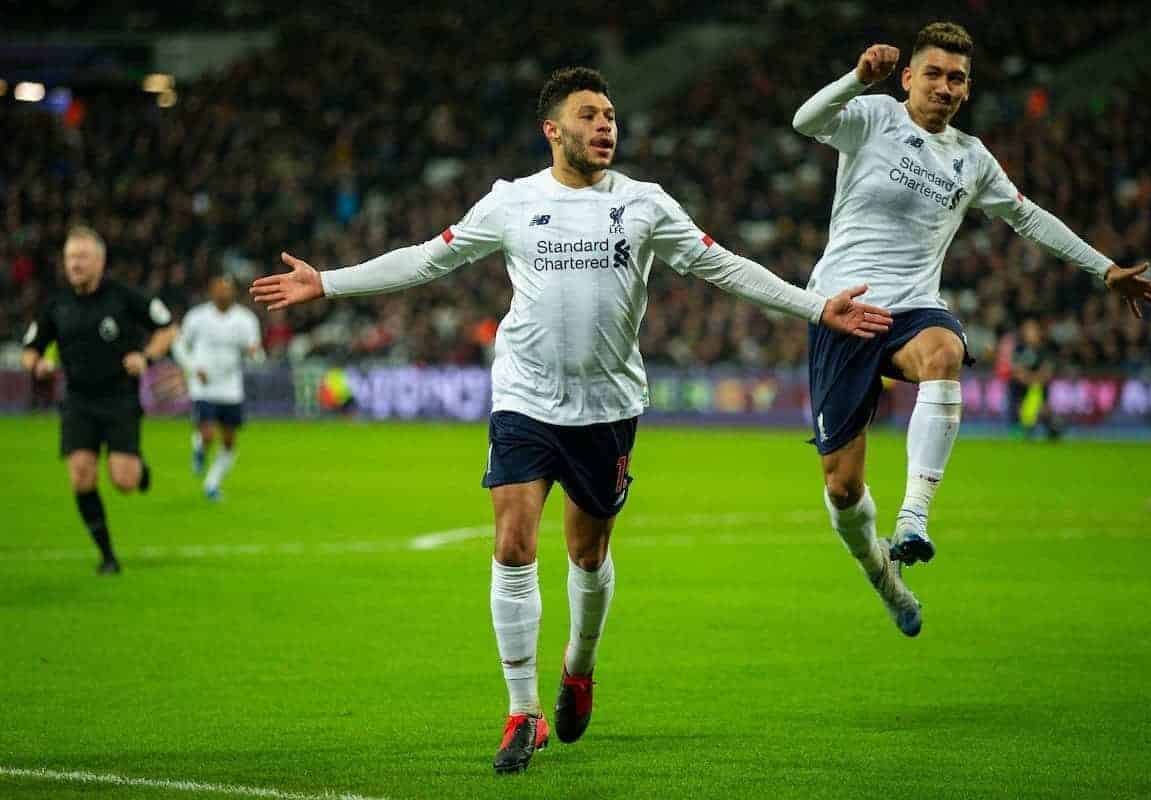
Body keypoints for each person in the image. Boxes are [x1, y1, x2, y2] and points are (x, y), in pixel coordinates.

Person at [251, 67, 894, 774]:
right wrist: (329, 281)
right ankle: (521, 710)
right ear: (552, 129)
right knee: (513, 544)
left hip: (608, 409)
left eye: (612, 115)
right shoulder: (513, 202)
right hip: (524, 398)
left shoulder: (645, 204)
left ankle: (579, 665)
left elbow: (725, 269)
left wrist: (815, 305)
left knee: (587, 556)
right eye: (590, 115)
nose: (606, 126)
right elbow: (427, 261)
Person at [790, 22, 1151, 635]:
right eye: (935, 74)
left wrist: (1104, 269)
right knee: (842, 490)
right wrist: (856, 79)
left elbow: (1031, 219)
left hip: (914, 308)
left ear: (968, 90)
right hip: (843, 307)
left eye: (958, 79)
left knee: (945, 351)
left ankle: (914, 516)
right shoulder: (871, 116)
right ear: (909, 77)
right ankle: (883, 576)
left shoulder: (971, 159)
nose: (946, 87)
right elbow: (805, 122)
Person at [20, 226, 178, 574]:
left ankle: (138, 471)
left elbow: (167, 328)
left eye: (82, 257)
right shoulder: (56, 305)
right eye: (70, 257)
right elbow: (28, 351)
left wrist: (146, 357)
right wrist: (39, 364)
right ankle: (107, 555)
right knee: (81, 476)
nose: (74, 264)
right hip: (77, 401)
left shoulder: (123, 296)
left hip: (119, 397)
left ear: (100, 261)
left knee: (123, 481)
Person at [172, 275, 263, 501]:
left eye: (227, 290)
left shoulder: (245, 320)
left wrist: (255, 355)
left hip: (231, 388)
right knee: (208, 433)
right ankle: (200, 447)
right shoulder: (197, 317)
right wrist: (193, 368)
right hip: (204, 386)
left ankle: (212, 483)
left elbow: (257, 354)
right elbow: (179, 345)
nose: (223, 294)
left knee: (229, 441)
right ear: (211, 291)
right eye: (219, 289)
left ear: (233, 292)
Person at [1009, 318, 1062, 440]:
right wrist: (1033, 377)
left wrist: (1031, 378)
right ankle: (1023, 427)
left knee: (1050, 419)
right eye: (1027, 330)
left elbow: (1047, 373)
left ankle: (1050, 428)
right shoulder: (1019, 350)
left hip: (1040, 393)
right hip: (1021, 393)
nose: (1029, 333)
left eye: (1032, 330)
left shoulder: (1045, 351)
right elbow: (1017, 373)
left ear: (1038, 332)